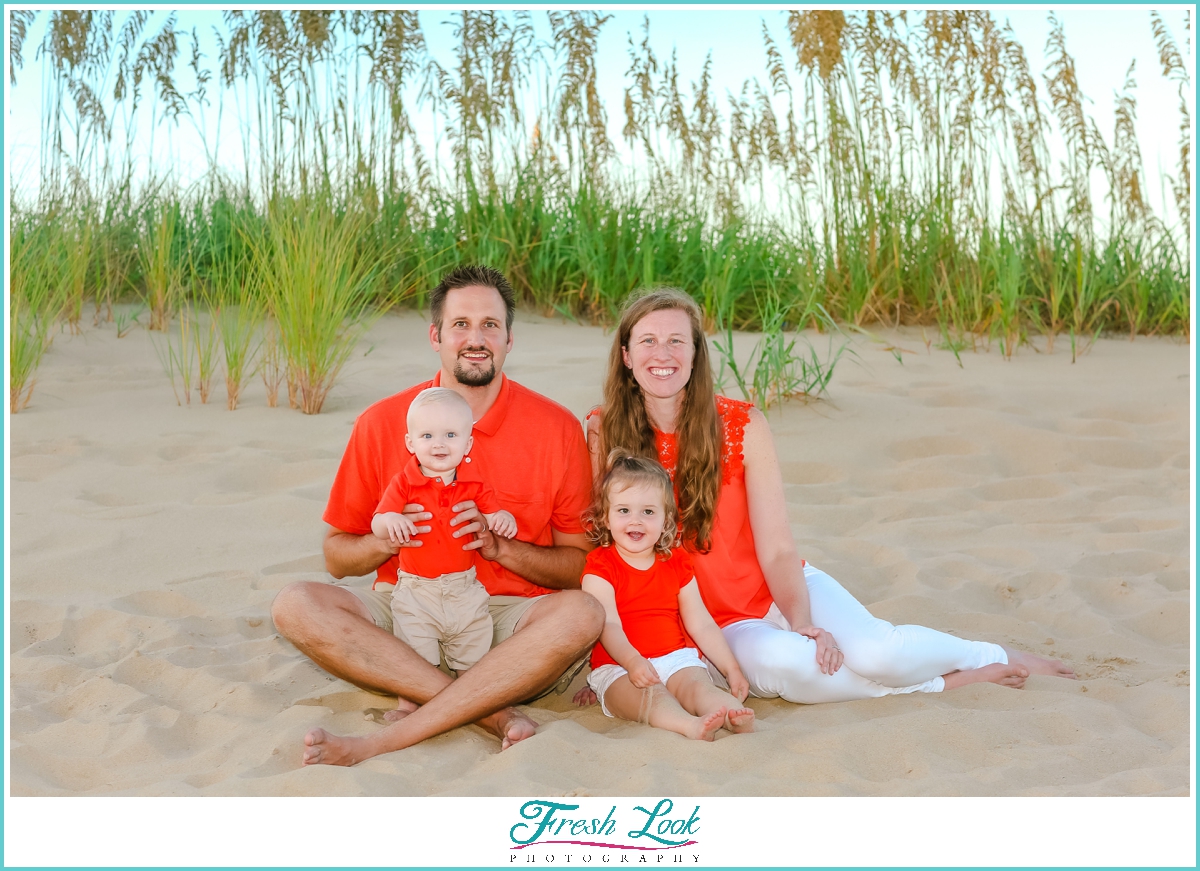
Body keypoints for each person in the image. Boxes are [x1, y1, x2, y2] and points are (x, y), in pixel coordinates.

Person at [581, 288, 1075, 707]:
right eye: (647, 341)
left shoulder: (742, 425)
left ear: (695, 353)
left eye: (675, 341)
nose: (661, 355)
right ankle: (946, 684)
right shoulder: (605, 433)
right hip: (714, 623)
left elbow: (776, 548)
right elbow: (605, 552)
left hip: (783, 587)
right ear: (626, 355)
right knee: (794, 673)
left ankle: (986, 655)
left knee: (879, 653)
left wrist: (801, 621)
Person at [271, 265, 603, 766]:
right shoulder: (383, 422)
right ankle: (490, 712)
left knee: (584, 615)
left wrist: (501, 549)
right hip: (407, 604)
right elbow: (337, 558)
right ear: (436, 336)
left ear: (509, 338)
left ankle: (426, 698)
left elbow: (581, 567)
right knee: (294, 605)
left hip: (505, 623)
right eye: (461, 325)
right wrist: (385, 541)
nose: (476, 339)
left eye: (490, 325)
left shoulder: (554, 428)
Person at [581, 450, 754, 741]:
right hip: (618, 666)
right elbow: (607, 624)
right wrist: (633, 662)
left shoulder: (676, 561)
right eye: (624, 511)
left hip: (674, 658)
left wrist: (731, 668)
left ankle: (730, 713)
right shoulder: (600, 567)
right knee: (651, 698)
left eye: (648, 512)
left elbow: (700, 622)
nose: (636, 520)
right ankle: (688, 726)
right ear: (606, 518)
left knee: (698, 686)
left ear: (666, 521)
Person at [371, 387, 517, 685]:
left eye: (450, 435)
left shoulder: (473, 485)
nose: (439, 444)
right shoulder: (404, 484)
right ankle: (409, 704)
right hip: (416, 589)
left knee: (472, 651)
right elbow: (377, 522)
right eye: (427, 436)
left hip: (464, 587)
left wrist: (503, 518)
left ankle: (468, 693)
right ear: (410, 443)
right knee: (415, 655)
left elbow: (492, 514)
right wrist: (391, 520)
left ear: (468, 444)